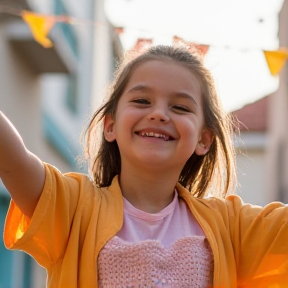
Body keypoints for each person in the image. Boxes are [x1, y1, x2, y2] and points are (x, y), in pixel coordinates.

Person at [1, 45, 288, 288]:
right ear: (110, 125)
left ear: (203, 139)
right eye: (141, 100)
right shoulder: (74, 208)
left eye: (180, 107)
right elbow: (12, 158)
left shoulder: (231, 226)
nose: (159, 114)